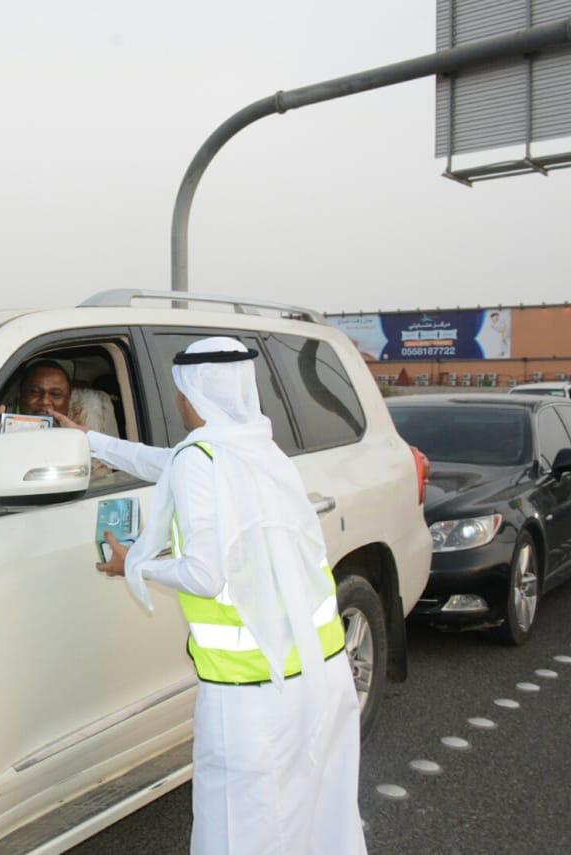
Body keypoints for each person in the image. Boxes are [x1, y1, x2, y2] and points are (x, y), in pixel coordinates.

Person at [52, 336, 366, 855]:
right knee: (315, 820)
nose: (178, 400)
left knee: (240, 834)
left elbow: (203, 574)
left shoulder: (203, 459)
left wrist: (134, 564)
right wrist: (92, 441)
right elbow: (168, 463)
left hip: (249, 696)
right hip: (321, 674)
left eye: (181, 389)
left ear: (194, 393)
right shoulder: (258, 450)